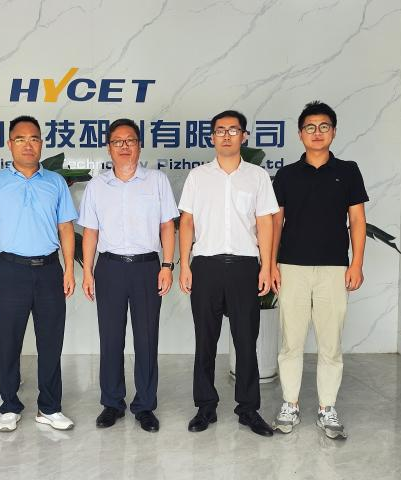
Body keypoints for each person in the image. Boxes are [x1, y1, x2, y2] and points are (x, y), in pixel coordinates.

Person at [271, 101, 368, 440]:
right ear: (300, 134)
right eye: (310, 127)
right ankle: (290, 404)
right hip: (291, 267)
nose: (317, 132)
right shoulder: (286, 175)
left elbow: (357, 220)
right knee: (291, 342)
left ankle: (327, 408)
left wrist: (356, 263)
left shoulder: (348, 171)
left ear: (334, 132)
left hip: (334, 269)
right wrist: (271, 264)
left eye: (323, 126)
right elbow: (276, 223)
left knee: (330, 343)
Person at [179, 110, 278, 437]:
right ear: (212, 137)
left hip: (244, 266)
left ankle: (248, 409)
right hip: (205, 266)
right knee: (205, 340)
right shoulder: (197, 177)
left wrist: (267, 265)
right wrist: (184, 264)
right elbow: (187, 222)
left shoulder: (257, 177)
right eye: (220, 130)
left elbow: (265, 222)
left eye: (233, 130)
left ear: (244, 136)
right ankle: (205, 406)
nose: (226, 136)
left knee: (246, 341)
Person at [0, 115, 78, 432]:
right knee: (8, 342)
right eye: (20, 139)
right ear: (10, 144)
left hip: (48, 270)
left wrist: (69, 269)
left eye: (33, 138)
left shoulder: (55, 182)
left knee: (51, 342)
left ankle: (49, 407)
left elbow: (66, 227)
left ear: (41, 143)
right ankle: (9, 406)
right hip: (9, 271)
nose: (28, 145)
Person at [78, 118, 179, 433]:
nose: (124, 146)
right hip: (109, 268)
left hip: (147, 267)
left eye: (130, 140)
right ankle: (112, 403)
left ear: (139, 145)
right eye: (117, 141)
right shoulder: (97, 186)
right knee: (110, 338)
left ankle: (145, 406)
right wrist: (88, 271)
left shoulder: (157, 181)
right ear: (108, 148)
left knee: (146, 339)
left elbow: (167, 225)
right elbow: (90, 232)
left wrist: (167, 265)